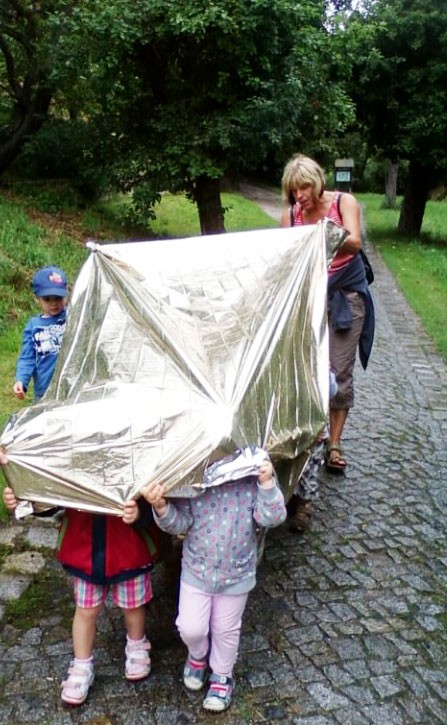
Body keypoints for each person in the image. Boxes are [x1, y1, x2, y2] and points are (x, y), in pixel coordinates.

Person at [142, 448, 286, 713]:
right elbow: (179, 523)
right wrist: (162, 507)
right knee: (190, 627)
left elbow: (272, 517)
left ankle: (222, 674)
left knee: (226, 629)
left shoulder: (252, 472)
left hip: (237, 572)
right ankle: (197, 656)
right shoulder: (196, 474)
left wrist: (267, 484)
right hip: (197, 570)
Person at [1, 472, 159, 706]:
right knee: (86, 610)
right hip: (86, 545)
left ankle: (137, 644)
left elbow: (154, 487)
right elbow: (53, 493)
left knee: (133, 604)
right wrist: (26, 498)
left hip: (127, 545)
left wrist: (140, 513)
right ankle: (82, 663)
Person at [281, 154, 374, 474]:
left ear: (318, 182)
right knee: (307, 372)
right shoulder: (291, 216)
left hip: (346, 297)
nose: (299, 196)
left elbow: (356, 242)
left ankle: (334, 443)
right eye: (293, 191)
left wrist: (326, 233)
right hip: (309, 301)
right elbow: (285, 262)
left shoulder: (343, 202)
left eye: (304, 187)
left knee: (339, 372)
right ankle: (311, 437)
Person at [14, 265, 68, 401]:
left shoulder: (72, 317)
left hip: (70, 387)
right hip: (44, 391)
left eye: (58, 298)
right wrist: (21, 380)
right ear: (36, 298)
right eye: (47, 299)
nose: (54, 303)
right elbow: (27, 357)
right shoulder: (33, 325)